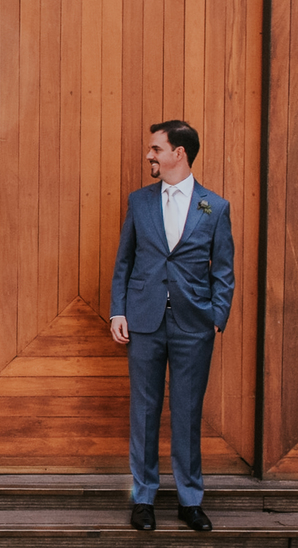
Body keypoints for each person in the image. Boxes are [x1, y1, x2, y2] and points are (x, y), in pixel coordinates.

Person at [108, 120, 235, 532]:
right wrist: (118, 311)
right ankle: (142, 498)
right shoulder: (139, 201)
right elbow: (124, 262)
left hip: (193, 326)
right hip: (144, 322)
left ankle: (189, 500)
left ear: (178, 153)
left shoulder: (214, 207)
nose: (150, 155)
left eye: (155, 149)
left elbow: (225, 272)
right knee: (144, 412)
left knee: (187, 412)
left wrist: (217, 317)